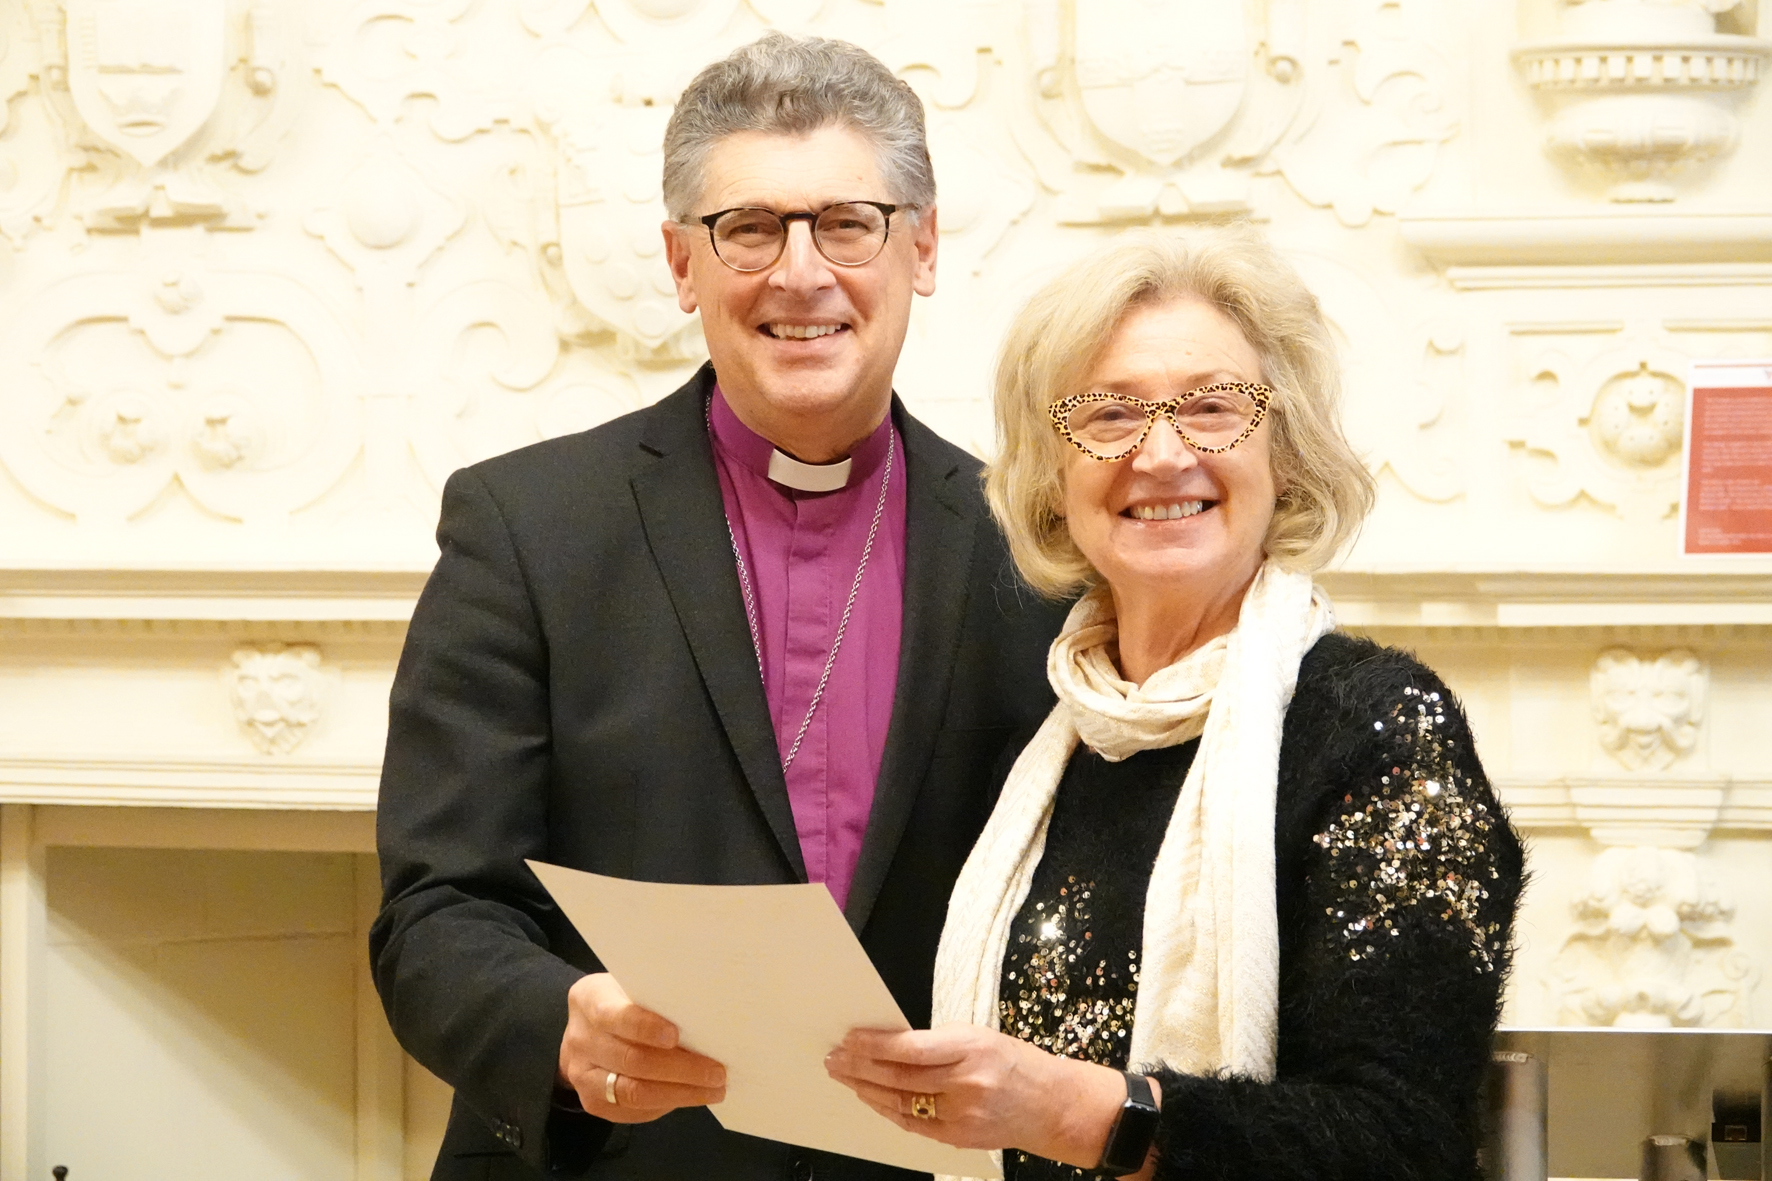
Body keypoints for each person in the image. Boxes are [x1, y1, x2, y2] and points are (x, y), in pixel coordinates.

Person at [370, 32, 1067, 1181]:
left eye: (848, 223)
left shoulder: (1034, 545)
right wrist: (563, 1022)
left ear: (922, 246)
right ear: (681, 262)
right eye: (748, 228)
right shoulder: (524, 526)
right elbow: (433, 911)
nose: (800, 273)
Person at [825, 227, 1525, 1181]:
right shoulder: (1042, 751)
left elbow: (1405, 1142)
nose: (1161, 454)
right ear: (1054, 475)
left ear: (1286, 452)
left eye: (1212, 408)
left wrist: (1088, 1113)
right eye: (1107, 417)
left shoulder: (1380, 728)